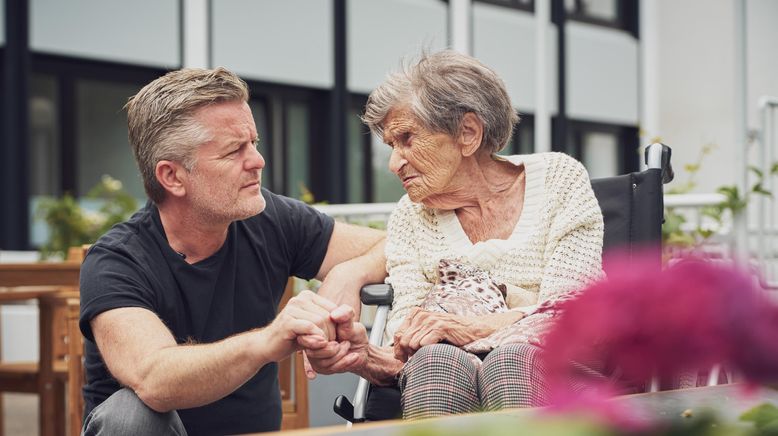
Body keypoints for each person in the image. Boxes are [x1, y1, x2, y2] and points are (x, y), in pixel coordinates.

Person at [78, 67, 386, 435]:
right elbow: (153, 377)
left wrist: (348, 273)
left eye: (253, 143)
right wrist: (269, 340)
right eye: (233, 151)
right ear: (172, 176)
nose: (257, 161)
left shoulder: (272, 219)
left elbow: (394, 245)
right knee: (129, 414)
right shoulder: (117, 260)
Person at [302, 50, 604, 419]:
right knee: (434, 360)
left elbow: (571, 314)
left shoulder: (560, 180)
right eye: (390, 147)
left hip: (564, 370)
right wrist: (363, 357)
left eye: (407, 139)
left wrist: (467, 328)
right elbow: (407, 345)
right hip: (448, 374)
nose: (394, 163)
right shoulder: (410, 217)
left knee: (512, 358)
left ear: (468, 133)